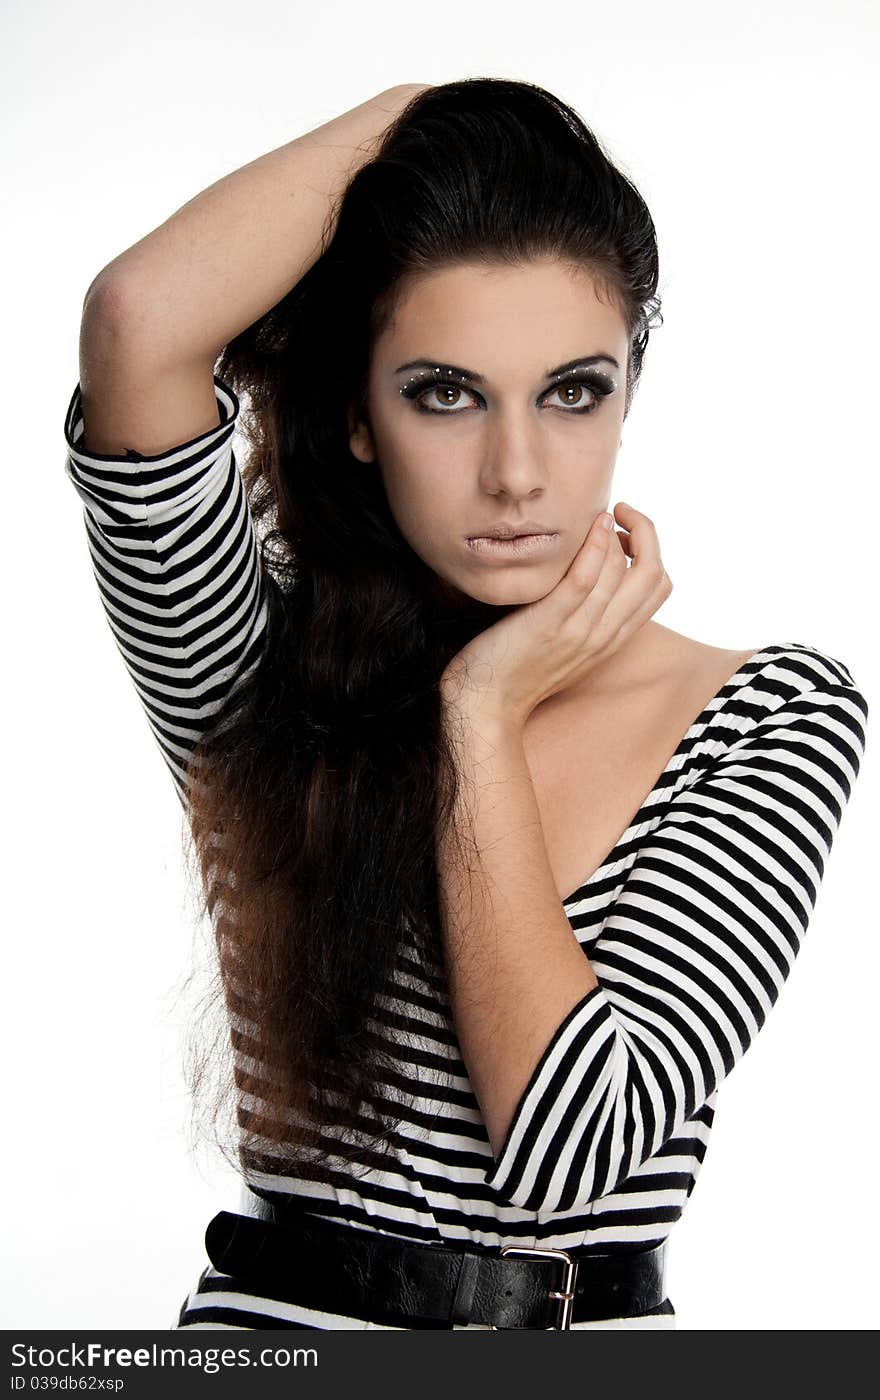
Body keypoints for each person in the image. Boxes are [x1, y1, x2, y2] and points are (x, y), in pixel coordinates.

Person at [63, 78, 868, 1331]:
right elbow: (136, 319)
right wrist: (433, 109)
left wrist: (479, 713)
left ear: (627, 392)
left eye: (572, 390)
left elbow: (567, 1149)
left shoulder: (768, 713)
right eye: (444, 391)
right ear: (360, 416)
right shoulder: (250, 661)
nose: (515, 471)